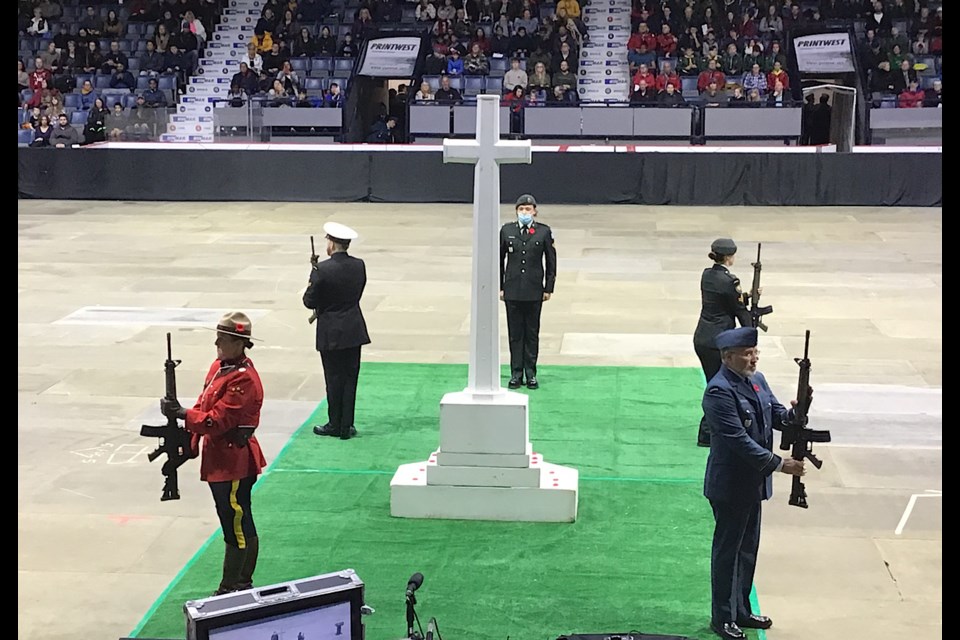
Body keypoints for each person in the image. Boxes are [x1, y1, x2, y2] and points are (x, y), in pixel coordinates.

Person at [703, 326, 809, 640]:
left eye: (755, 352)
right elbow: (738, 440)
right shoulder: (719, 391)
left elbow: (776, 415)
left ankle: (741, 610)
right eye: (747, 354)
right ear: (728, 356)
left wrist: (797, 411)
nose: (754, 358)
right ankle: (722, 617)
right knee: (728, 552)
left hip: (753, 484)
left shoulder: (757, 381)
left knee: (748, 549)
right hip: (731, 485)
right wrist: (779, 464)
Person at [160, 312, 267, 596]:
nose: (217, 342)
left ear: (239, 343)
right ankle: (240, 581)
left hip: (233, 462)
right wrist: (189, 438)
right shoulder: (220, 368)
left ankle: (233, 585)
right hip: (221, 459)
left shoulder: (242, 380)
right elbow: (204, 403)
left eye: (223, 338)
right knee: (237, 517)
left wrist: (182, 414)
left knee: (235, 523)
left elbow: (216, 420)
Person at [303, 222, 371, 441]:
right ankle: (347, 425)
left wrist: (313, 276)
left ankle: (334, 423)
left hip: (331, 332)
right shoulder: (359, 265)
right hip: (353, 329)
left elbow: (309, 300)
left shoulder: (322, 269)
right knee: (350, 378)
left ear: (331, 244)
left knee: (333, 378)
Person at [693, 238, 752, 447]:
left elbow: (722, 300)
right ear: (729, 257)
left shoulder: (707, 275)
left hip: (703, 337)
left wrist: (744, 296)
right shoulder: (730, 281)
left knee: (715, 384)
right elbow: (739, 310)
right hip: (719, 341)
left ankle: (711, 429)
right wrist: (750, 334)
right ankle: (708, 431)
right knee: (720, 387)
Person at [499, 194, 556, 390]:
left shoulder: (543, 232)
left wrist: (548, 287)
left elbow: (551, 261)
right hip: (513, 290)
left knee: (532, 334)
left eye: (528, 209)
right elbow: (499, 260)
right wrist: (500, 286)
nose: (525, 212)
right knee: (515, 334)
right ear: (516, 211)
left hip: (533, 291)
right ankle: (516, 373)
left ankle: (530, 373)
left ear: (535, 212)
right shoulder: (507, 231)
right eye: (521, 209)